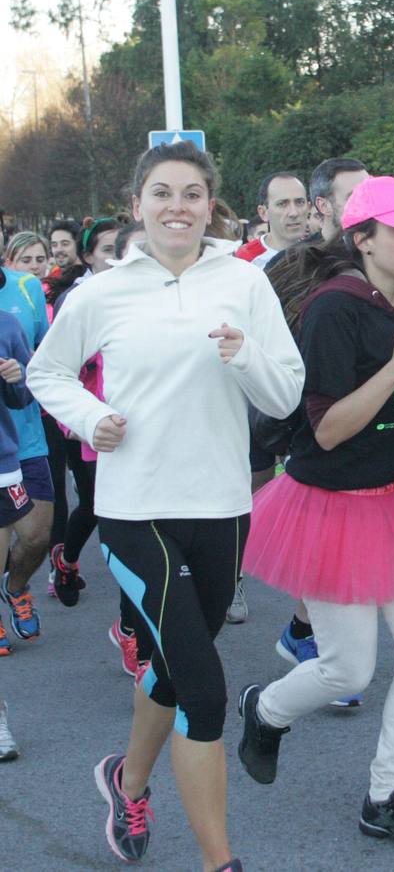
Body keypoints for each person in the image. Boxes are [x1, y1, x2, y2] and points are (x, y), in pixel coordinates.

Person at [27, 139, 304, 869]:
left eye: (191, 194)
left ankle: (128, 779)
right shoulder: (102, 291)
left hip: (220, 506)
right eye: (162, 193)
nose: (177, 207)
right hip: (133, 508)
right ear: (137, 204)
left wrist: (244, 354)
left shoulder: (242, 284)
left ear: (211, 205)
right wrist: (90, 419)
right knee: (204, 690)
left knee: (173, 666)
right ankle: (221, 862)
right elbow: (46, 372)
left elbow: (284, 392)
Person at [237, 176, 394, 851]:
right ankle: (266, 708)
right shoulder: (335, 309)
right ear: (361, 240)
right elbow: (329, 430)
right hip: (330, 507)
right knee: (348, 670)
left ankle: (385, 796)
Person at [263, 158, 371, 704]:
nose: (371, 206)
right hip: (311, 436)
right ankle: (325, 655)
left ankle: (306, 633)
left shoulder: (387, 262)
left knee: (356, 558)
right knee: (333, 554)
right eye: (356, 197)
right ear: (324, 206)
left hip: (376, 440)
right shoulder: (291, 269)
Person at [45, 216, 122, 607]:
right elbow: (56, 371)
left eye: (123, 250)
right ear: (88, 255)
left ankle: (135, 623)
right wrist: (73, 420)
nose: (118, 258)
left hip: (139, 422)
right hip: (90, 424)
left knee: (129, 516)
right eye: (108, 251)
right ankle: (68, 560)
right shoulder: (77, 300)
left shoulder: (146, 291)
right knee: (98, 506)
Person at [0, 232, 53, 648]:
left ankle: (16, 586)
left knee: (37, 535)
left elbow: (33, 376)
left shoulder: (17, 302)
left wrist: (19, 377)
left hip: (22, 441)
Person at [234, 171, 308, 268]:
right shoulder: (244, 259)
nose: (294, 213)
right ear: (263, 212)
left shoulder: (320, 252)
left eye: (300, 202)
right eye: (282, 204)